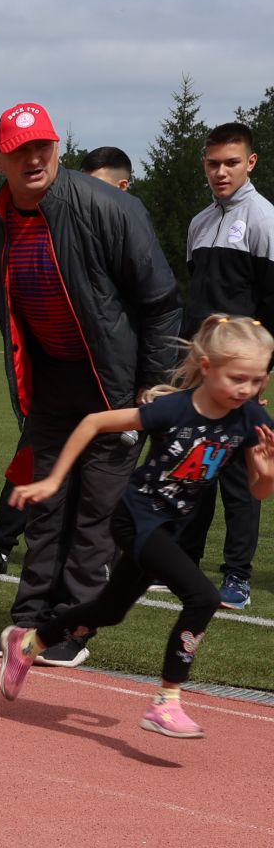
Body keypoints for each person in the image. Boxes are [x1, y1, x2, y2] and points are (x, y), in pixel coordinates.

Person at [0, 102, 180, 666]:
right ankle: (27, 623)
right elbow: (5, 308)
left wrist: (152, 385)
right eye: (19, 151)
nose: (33, 159)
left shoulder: (111, 208)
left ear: (57, 148)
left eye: (42, 146)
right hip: (50, 383)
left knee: (95, 514)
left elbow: (160, 302)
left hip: (113, 384)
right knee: (45, 507)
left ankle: (73, 629)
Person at [0, 315, 274, 738]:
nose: (248, 390)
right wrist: (52, 480)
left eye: (258, 381)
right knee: (201, 597)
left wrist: (265, 473)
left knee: (109, 611)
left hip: (170, 528)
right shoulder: (175, 408)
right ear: (205, 365)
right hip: (137, 519)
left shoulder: (249, 418)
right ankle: (167, 701)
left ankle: (29, 643)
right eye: (238, 378)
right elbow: (93, 422)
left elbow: (259, 493)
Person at [0, 145, 135, 581]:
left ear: (123, 189)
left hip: (109, 383)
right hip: (56, 382)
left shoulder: (123, 234)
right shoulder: (46, 222)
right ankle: (1, 546)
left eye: (101, 187)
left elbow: (148, 307)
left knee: (99, 489)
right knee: (29, 463)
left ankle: (100, 574)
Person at [175, 122, 274, 610]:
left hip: (239, 373)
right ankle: (184, 563)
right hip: (199, 368)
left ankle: (237, 577)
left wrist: (261, 373)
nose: (220, 171)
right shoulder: (199, 222)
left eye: (231, 162)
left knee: (237, 476)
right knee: (194, 467)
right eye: (213, 163)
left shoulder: (263, 219)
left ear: (250, 163)